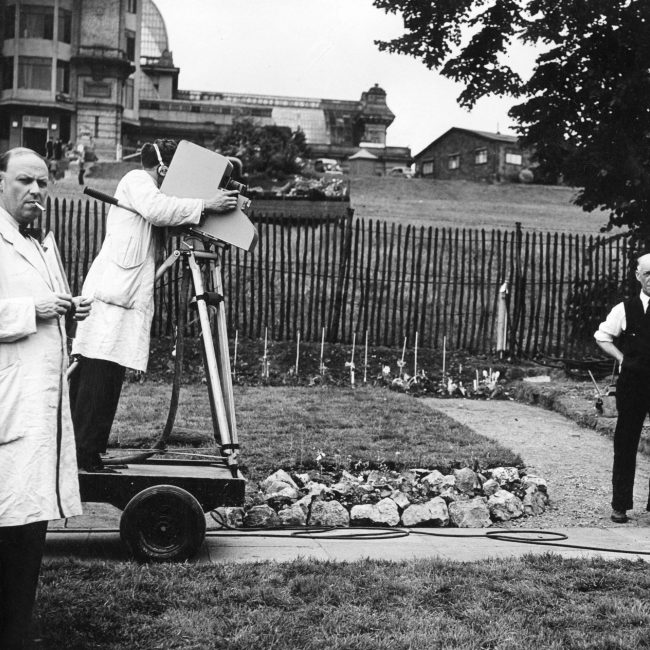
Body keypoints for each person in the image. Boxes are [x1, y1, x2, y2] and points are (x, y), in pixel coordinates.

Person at [70, 138, 239, 471]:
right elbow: (159, 211)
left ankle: (88, 453)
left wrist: (211, 212)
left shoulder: (153, 191)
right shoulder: (137, 181)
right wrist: (206, 204)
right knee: (96, 377)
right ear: (163, 167)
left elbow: (169, 214)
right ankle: (82, 454)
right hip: (111, 298)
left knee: (106, 377)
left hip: (121, 298)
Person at [0, 147, 91, 649]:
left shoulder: (39, 242)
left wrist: (68, 306)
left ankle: (18, 630)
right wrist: (31, 309)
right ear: (0, 182)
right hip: (10, 405)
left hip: (39, 409)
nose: (35, 191)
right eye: (24, 181)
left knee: (29, 525)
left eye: (42, 182)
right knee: (8, 522)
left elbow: (46, 305)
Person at [594, 252, 650, 523]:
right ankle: (620, 505)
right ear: (637, 276)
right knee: (626, 442)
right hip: (633, 385)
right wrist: (622, 359)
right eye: (647, 273)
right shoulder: (624, 309)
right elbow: (602, 336)